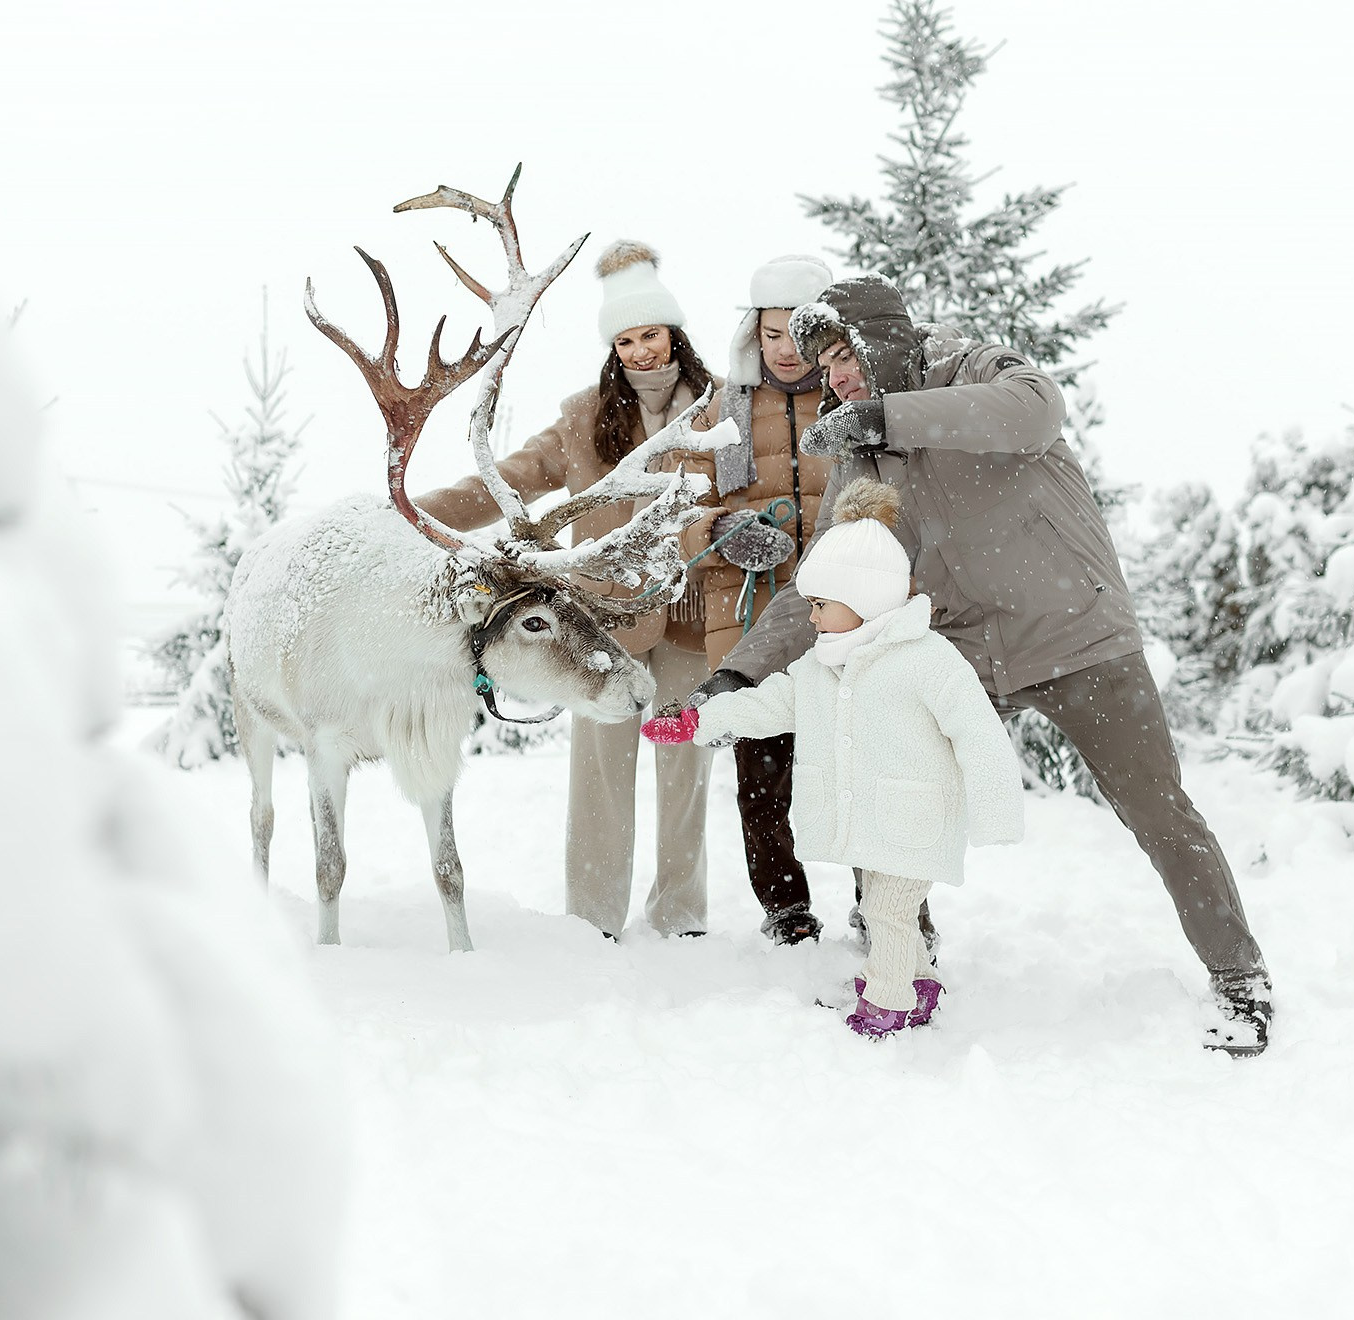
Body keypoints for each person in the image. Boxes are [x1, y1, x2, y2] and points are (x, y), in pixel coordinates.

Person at [690, 273, 1275, 1055]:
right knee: (884, 778)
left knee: (1158, 809)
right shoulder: (864, 461)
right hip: (964, 650)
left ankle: (1239, 975)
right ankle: (903, 959)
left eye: (843, 356)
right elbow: (826, 578)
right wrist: (741, 673)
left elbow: (1036, 409)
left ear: (880, 341)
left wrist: (889, 415)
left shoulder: (973, 370)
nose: (836, 377)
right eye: (825, 367)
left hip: (1077, 636)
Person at [416, 240, 718, 939]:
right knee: (600, 777)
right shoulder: (585, 416)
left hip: (688, 614)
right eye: (626, 340)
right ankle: (594, 917)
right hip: (604, 623)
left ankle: (682, 915)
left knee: (685, 771)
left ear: (673, 332)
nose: (641, 351)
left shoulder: (717, 408)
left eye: (650, 334)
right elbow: (512, 478)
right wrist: (417, 515)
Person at [680, 479, 1024, 1036]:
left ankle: (885, 1003)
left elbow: (979, 735)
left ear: (862, 599)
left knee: (886, 910)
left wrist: (996, 812)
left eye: (820, 605)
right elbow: (770, 704)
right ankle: (919, 982)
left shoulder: (927, 659)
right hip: (878, 822)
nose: (811, 618)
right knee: (893, 912)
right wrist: (703, 721)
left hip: (915, 822)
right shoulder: (821, 666)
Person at [677, 255, 837, 945]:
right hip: (749, 617)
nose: (785, 350)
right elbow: (679, 512)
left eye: (799, 336)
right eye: (772, 335)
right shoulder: (721, 411)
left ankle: (887, 903)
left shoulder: (854, 397)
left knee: (862, 766)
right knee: (762, 778)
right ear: (754, 332)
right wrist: (719, 530)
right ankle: (786, 910)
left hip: (846, 616)